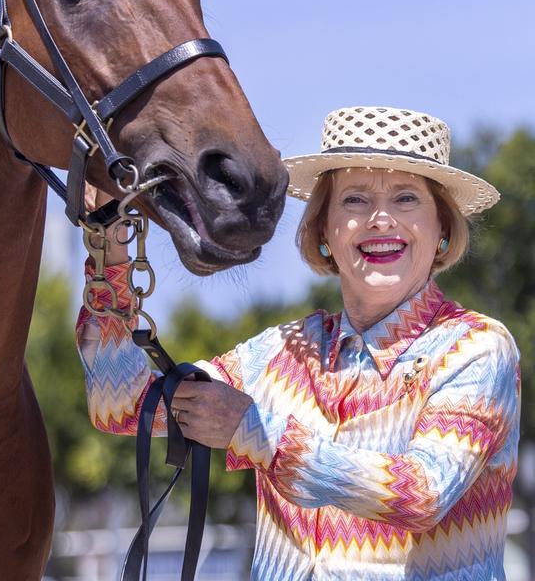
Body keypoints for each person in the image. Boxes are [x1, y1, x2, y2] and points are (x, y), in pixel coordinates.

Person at [77, 106, 519, 580]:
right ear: (324, 231)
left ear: (443, 230)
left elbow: (422, 493)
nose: (381, 219)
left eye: (407, 198)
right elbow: (121, 407)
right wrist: (109, 243)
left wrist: (256, 432)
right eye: (354, 200)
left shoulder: (476, 348)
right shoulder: (281, 352)